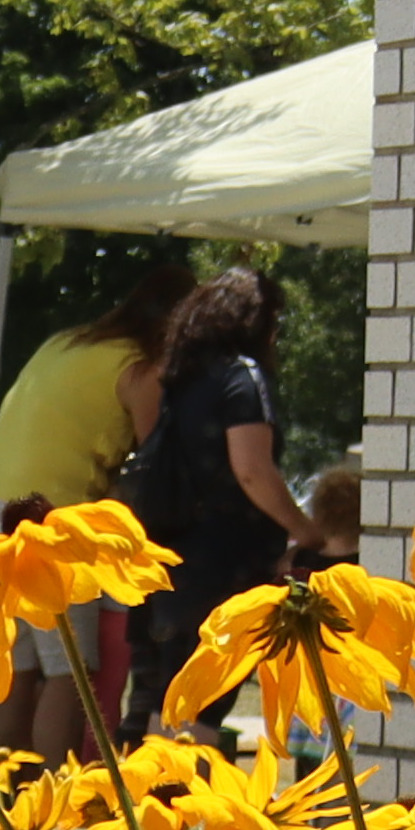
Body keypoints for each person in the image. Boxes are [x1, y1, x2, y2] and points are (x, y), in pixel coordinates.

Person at [0, 251, 196, 757]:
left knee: (13, 663)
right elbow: (154, 460)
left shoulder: (67, 342)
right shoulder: (143, 370)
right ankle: (53, 799)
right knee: (71, 669)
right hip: (53, 516)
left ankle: (8, 797)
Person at [117, 271, 311, 732]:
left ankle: (161, 800)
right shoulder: (242, 376)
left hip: (171, 559)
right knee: (200, 712)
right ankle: (191, 801)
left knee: (167, 705)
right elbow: (251, 469)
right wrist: (305, 529)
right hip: (225, 565)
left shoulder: (183, 378)